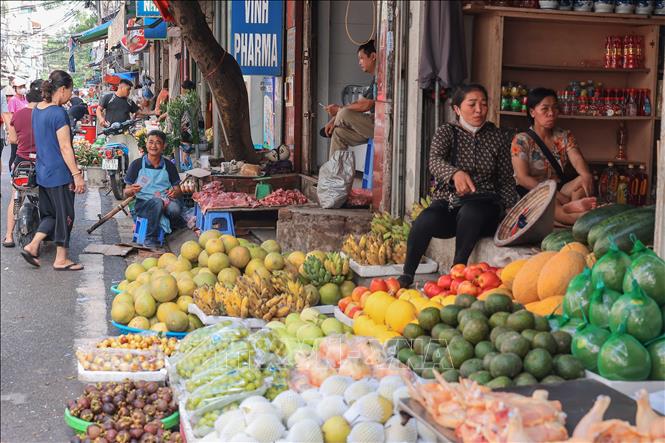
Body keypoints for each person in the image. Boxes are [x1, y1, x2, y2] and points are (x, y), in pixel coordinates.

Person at [397, 84, 518, 288]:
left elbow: (506, 179)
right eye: (472, 104)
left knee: (472, 212)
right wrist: (455, 173)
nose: (479, 110)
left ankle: (456, 273)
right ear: (457, 109)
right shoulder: (447, 132)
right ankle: (407, 275)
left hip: (484, 209)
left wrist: (508, 209)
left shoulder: (497, 137)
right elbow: (434, 160)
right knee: (425, 220)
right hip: (450, 204)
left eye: (483, 104)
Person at [20, 70, 86, 270]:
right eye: (70, 91)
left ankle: (32, 245)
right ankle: (61, 258)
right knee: (66, 215)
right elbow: (65, 147)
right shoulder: (59, 113)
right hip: (59, 174)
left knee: (50, 215)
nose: (69, 96)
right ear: (63, 89)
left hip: (43, 172)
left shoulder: (38, 109)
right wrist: (76, 175)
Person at [511, 88, 596, 226]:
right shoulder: (521, 140)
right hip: (534, 192)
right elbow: (522, 178)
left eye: (555, 108)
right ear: (532, 112)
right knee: (553, 205)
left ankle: (572, 208)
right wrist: (556, 195)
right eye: (545, 109)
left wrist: (586, 175)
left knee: (582, 179)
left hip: (559, 188)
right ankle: (579, 217)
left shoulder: (563, 136)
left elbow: (576, 158)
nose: (551, 113)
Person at [123, 130, 183, 248]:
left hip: (165, 202)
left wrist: (174, 192)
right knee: (156, 202)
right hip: (143, 204)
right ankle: (151, 238)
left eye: (158, 143)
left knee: (175, 208)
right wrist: (132, 190)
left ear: (164, 146)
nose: (153, 146)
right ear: (146, 144)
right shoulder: (137, 164)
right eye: (151, 142)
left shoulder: (169, 166)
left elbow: (178, 190)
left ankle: (173, 230)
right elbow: (126, 192)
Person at [3, 80, 43, 248]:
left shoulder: (18, 115)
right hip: (42, 161)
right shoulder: (46, 113)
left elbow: (12, 139)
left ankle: (8, 237)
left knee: (16, 197)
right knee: (47, 196)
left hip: (21, 161)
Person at [322, 40, 377, 155]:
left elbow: (366, 105)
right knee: (338, 133)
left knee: (344, 113)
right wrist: (334, 119)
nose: (359, 62)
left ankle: (337, 121)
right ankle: (335, 172)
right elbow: (360, 102)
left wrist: (338, 111)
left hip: (381, 126)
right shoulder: (374, 80)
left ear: (372, 56)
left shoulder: (382, 78)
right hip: (370, 126)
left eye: (361, 58)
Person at [7, 78, 28, 170]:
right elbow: (11, 117)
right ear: (15, 88)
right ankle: (12, 174)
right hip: (17, 131)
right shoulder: (13, 100)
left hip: (27, 131)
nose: (22, 88)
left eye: (23, 86)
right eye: (20, 87)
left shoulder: (26, 99)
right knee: (15, 152)